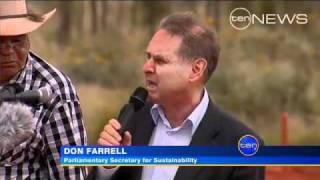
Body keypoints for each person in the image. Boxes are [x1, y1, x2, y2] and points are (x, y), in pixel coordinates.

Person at [93, 12, 264, 180]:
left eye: (160, 61)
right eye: (148, 57)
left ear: (196, 70)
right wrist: (108, 167)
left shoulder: (240, 147)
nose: (146, 67)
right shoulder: (132, 117)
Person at [0, 0, 87, 179]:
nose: (7, 51)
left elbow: (71, 174)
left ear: (28, 40)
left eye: (17, 41)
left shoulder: (54, 89)